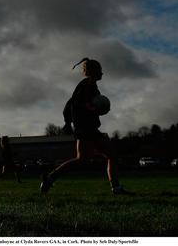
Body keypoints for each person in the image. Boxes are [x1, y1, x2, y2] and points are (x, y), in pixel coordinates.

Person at [40, 58, 127, 195]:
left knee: (100, 157)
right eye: (100, 70)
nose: (102, 73)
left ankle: (50, 179)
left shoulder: (89, 86)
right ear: (93, 71)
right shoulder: (87, 85)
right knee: (103, 156)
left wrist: (69, 122)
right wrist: (91, 110)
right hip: (86, 128)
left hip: (88, 128)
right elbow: (76, 104)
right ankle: (50, 178)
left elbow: (71, 104)